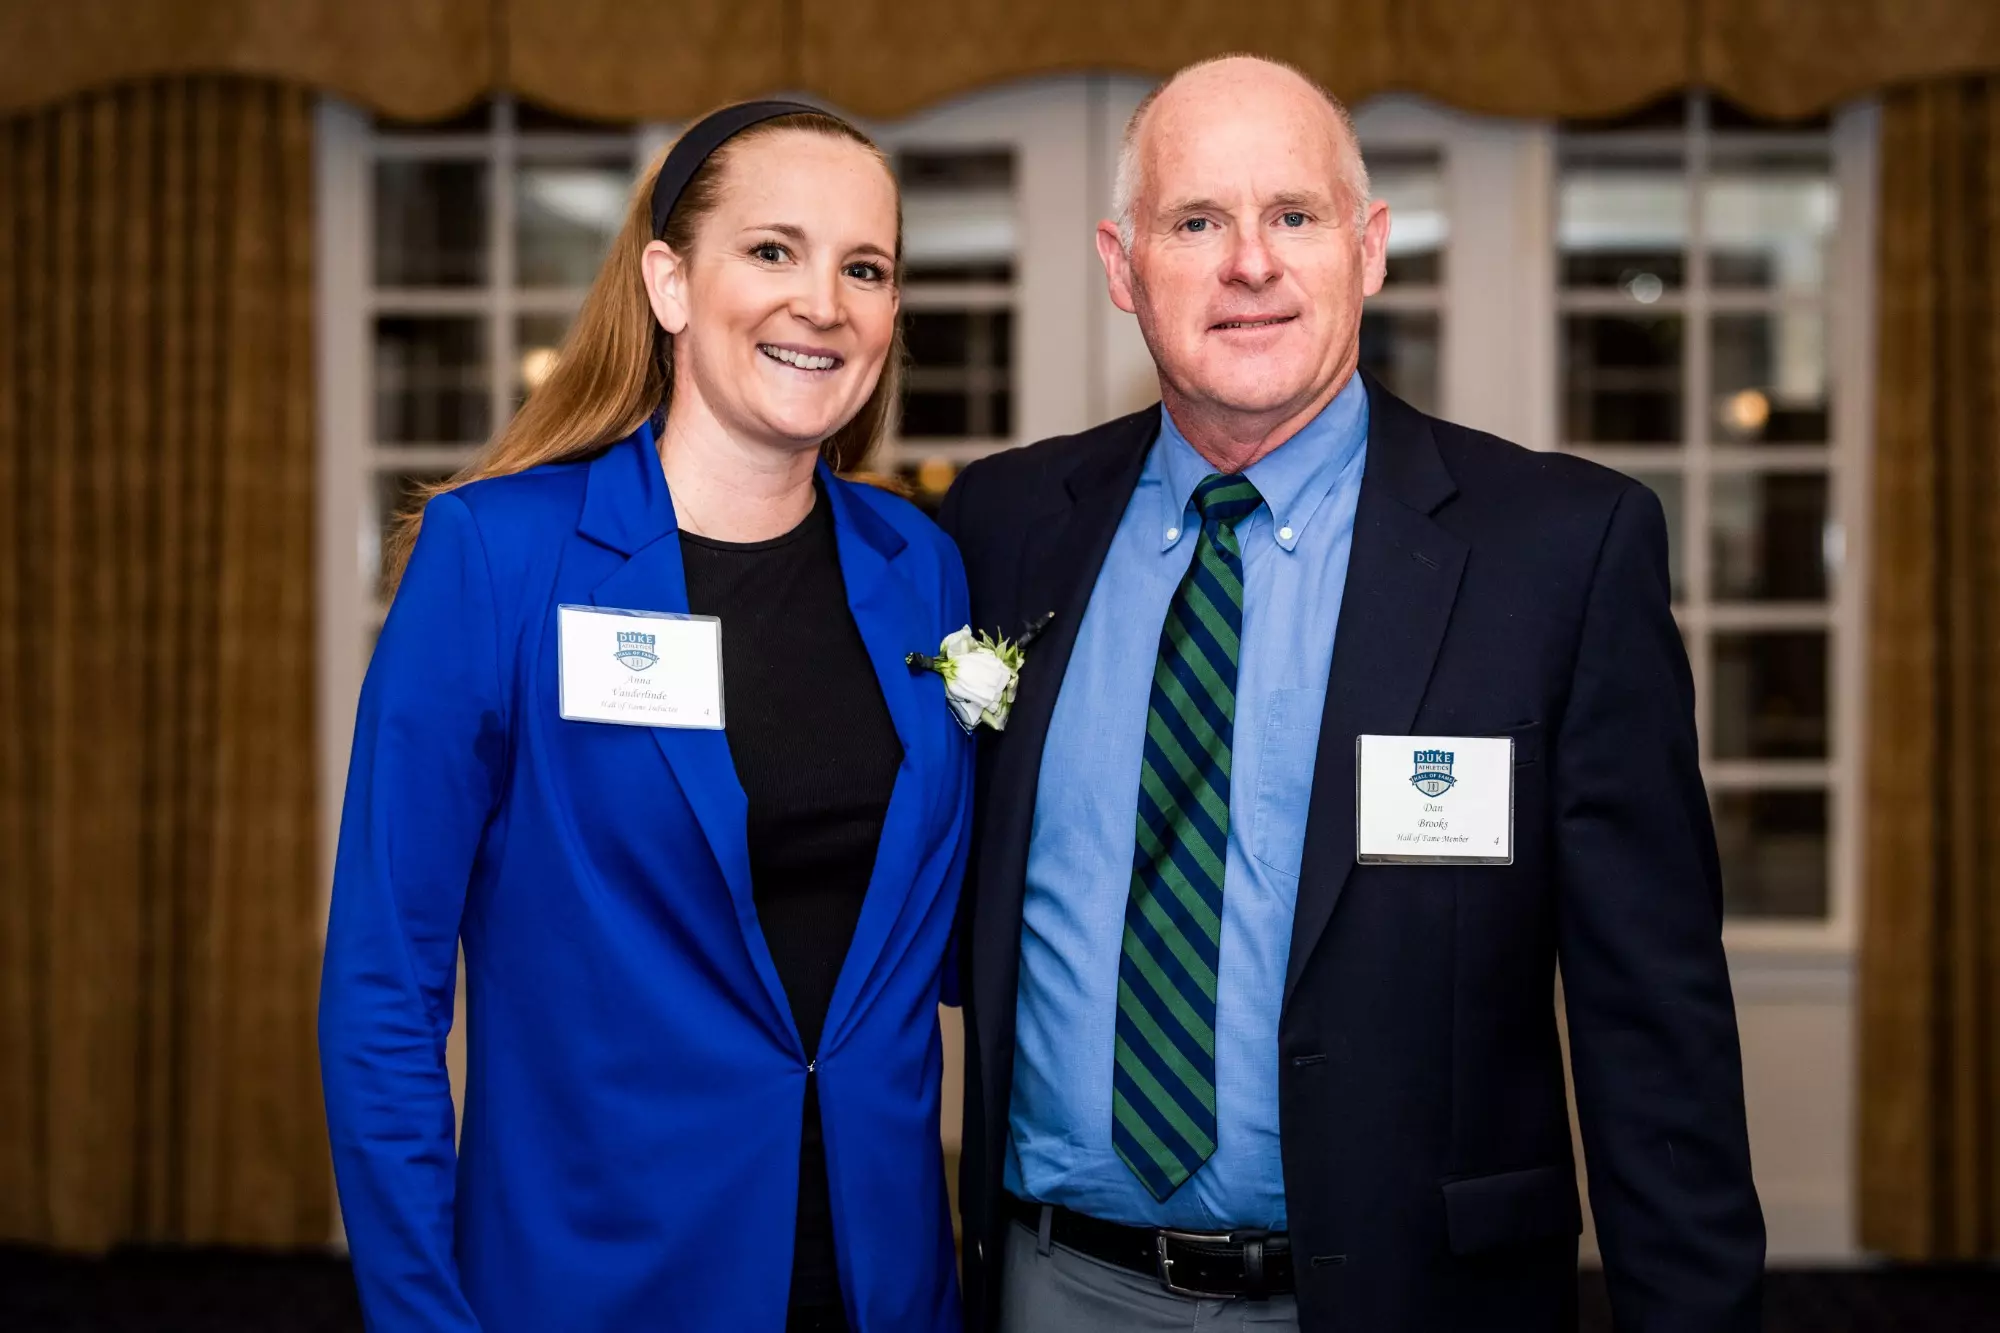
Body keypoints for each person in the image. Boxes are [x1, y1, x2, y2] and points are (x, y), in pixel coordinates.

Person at [940, 55, 1765, 1333]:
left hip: (1409, 1296)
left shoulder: (1554, 553)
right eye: (1196, 221)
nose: (1248, 263)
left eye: (1294, 216)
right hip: (1052, 1285)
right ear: (1121, 267)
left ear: (1368, 249)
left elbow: (1651, 1019)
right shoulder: (1001, 525)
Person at [319, 101, 973, 1333]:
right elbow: (381, 988)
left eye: (865, 267)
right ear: (669, 283)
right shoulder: (499, 559)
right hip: (599, 1274)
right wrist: (420, 1315)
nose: (822, 301)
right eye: (772, 250)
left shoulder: (921, 570)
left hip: (879, 1278)